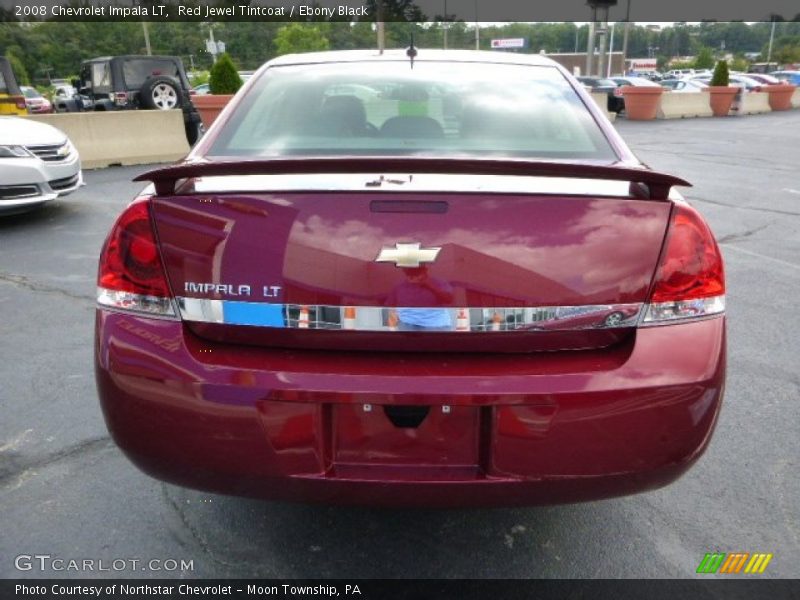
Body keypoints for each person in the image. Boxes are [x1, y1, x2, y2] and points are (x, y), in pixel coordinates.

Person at [385, 266, 454, 331]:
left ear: (425, 271)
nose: (413, 277)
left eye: (416, 273)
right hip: (407, 325)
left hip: (435, 325)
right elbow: (389, 306)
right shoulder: (399, 287)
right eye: (409, 274)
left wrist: (429, 286)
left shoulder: (439, 283)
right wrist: (391, 328)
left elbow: (449, 299)